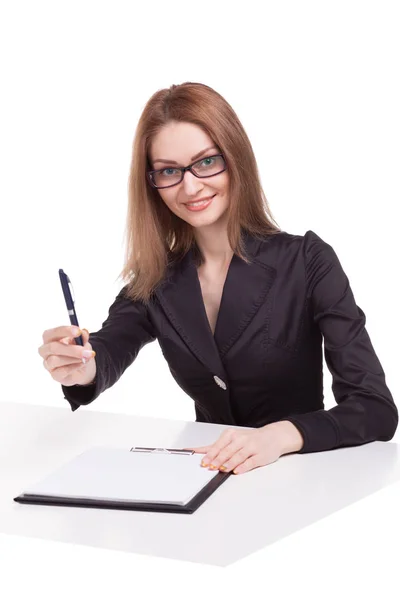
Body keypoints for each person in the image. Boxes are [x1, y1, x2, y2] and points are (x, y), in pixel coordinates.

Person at [38, 82, 398, 476]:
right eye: (169, 171)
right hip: (203, 484)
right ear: (152, 182)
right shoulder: (155, 280)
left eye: (206, 162)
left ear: (235, 157)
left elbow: (374, 407)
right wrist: (79, 366)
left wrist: (279, 437)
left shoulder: (307, 260)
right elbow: (107, 350)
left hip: (300, 483)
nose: (190, 187)